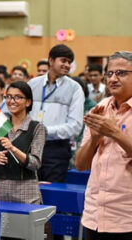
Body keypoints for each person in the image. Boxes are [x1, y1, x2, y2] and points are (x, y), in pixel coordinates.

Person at [76, 51, 132, 240]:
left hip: (125, 218)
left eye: (121, 73)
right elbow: (81, 165)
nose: (113, 78)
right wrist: (94, 138)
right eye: (109, 73)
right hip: (94, 216)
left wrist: (114, 132)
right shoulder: (100, 108)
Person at [28, 44, 84, 183]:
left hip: (56, 151)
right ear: (51, 60)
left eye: (69, 62)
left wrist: (44, 131)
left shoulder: (74, 88)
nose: (67, 65)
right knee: (28, 190)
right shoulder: (33, 84)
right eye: (63, 60)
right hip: (29, 147)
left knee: (51, 194)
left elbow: (75, 126)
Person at [0, 81, 46, 204]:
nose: (12, 101)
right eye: (8, 96)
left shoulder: (36, 127)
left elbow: (35, 163)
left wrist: (13, 149)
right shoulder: (0, 123)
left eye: (18, 97)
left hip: (26, 193)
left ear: (28, 102)